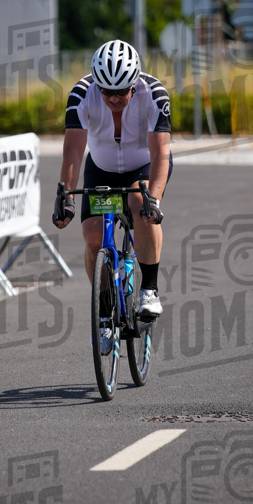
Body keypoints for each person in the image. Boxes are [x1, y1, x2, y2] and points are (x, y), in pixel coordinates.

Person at [53, 38, 172, 319]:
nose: (114, 98)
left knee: (137, 203)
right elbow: (72, 152)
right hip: (102, 167)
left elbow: (161, 153)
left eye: (120, 91)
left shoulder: (154, 93)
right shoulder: (82, 94)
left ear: (133, 84)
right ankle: (105, 310)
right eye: (106, 91)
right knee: (93, 234)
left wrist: (152, 199)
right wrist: (66, 198)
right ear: (97, 84)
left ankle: (149, 291)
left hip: (143, 165)